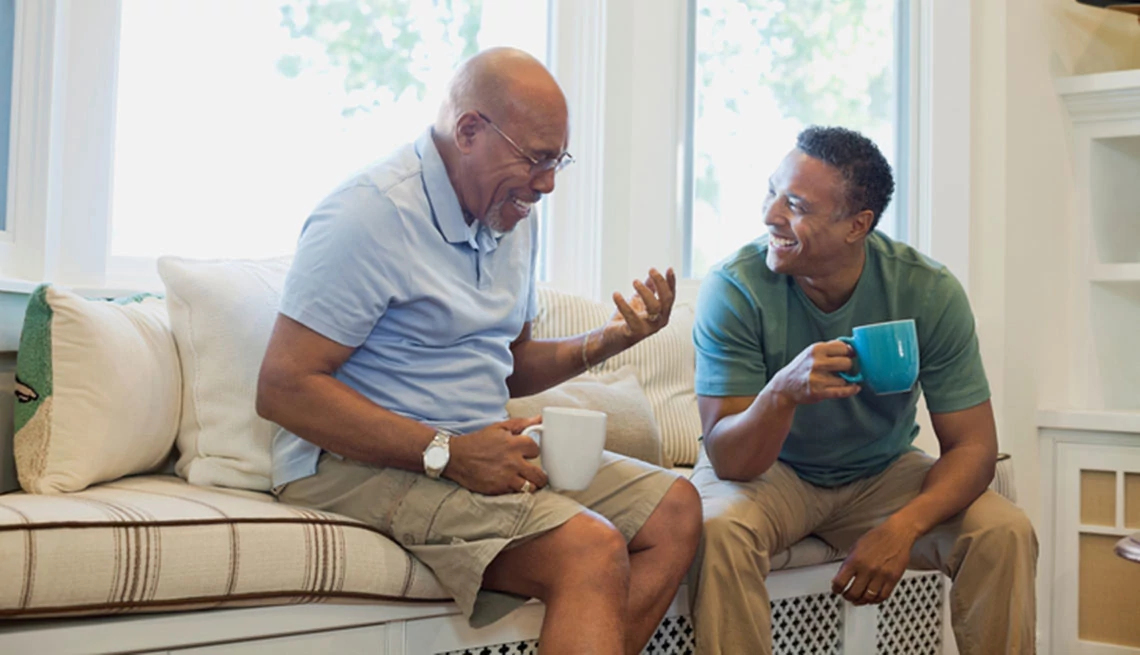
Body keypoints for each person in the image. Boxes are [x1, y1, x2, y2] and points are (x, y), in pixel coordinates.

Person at [255, 47, 701, 655]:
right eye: (536, 159)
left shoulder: (510, 215)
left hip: (471, 446)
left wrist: (608, 342)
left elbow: (510, 363)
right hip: (350, 464)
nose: (546, 185)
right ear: (469, 130)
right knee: (588, 548)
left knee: (676, 510)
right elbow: (283, 389)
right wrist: (448, 452)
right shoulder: (369, 215)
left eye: (557, 162)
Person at [688, 126, 1037, 654]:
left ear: (857, 226)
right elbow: (730, 459)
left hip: (881, 472)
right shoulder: (735, 288)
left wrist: (903, 526)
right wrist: (780, 394)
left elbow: (974, 447)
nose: (770, 215)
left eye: (797, 205)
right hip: (770, 475)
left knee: (1002, 530)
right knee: (717, 530)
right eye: (772, 191)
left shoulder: (926, 290)